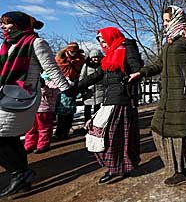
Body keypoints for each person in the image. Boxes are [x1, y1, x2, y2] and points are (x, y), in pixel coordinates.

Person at [128, 6, 186, 186]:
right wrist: (141, 73)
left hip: (183, 94)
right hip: (168, 95)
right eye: (164, 21)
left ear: (176, 19)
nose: (164, 24)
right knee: (157, 128)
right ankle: (178, 165)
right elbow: (159, 64)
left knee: (179, 134)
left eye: (167, 20)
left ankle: (183, 172)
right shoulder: (168, 43)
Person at [0, 11, 72, 197]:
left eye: (7, 23)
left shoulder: (36, 42)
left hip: (22, 96)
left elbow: (51, 68)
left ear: (19, 24)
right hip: (5, 94)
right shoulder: (8, 44)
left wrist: (67, 89)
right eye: (2, 23)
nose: (3, 26)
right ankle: (22, 178)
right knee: (11, 138)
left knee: (3, 137)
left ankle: (20, 174)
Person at [77, 27, 142, 184]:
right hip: (110, 101)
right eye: (99, 40)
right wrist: (76, 87)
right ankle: (121, 167)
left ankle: (116, 168)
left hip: (122, 101)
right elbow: (97, 75)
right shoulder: (109, 57)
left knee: (112, 138)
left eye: (103, 39)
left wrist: (130, 77)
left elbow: (137, 69)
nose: (102, 43)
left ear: (112, 36)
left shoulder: (127, 49)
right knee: (104, 136)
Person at [54, 41, 85, 139]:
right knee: (61, 110)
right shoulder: (60, 58)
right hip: (60, 85)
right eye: (71, 51)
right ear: (67, 50)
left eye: (75, 51)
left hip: (73, 85)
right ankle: (59, 132)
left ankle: (66, 131)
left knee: (70, 109)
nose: (73, 53)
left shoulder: (80, 59)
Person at [23, 73, 59, 154]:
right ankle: (29, 145)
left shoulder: (53, 83)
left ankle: (43, 145)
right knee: (31, 128)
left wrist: (43, 87)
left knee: (44, 128)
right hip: (33, 108)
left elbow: (52, 93)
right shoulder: (35, 81)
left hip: (45, 109)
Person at [79, 49, 104, 132]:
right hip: (89, 90)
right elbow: (82, 76)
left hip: (100, 89)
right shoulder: (86, 65)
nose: (96, 59)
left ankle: (97, 124)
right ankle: (87, 124)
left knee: (98, 109)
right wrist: (82, 87)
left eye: (98, 57)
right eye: (94, 57)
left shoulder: (103, 65)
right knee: (87, 109)